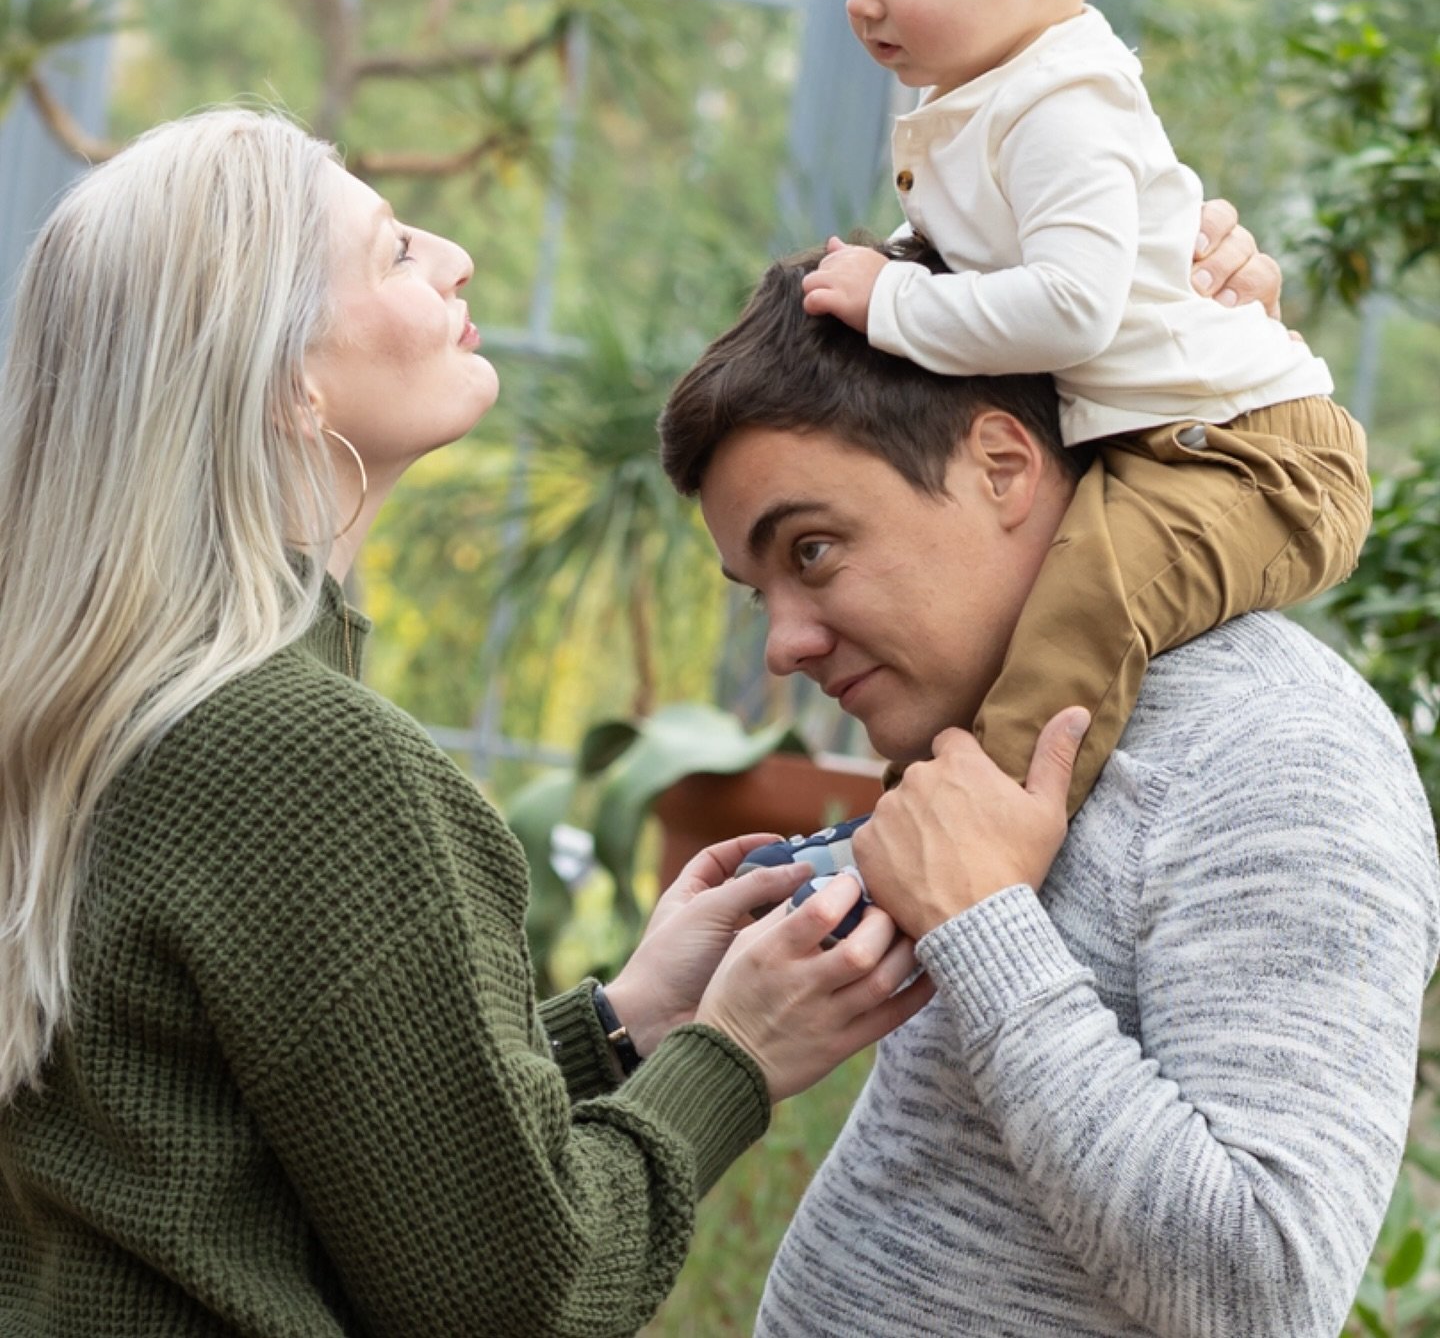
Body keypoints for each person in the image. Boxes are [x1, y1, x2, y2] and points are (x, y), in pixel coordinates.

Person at [0, 108, 935, 1338]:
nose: (455, 257)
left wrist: (625, 1023)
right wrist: (736, 1056)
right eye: (393, 253)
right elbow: (521, 1299)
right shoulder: (306, 760)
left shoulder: (104, 709)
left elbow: (267, 1164)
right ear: (289, 384)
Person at [659, 237, 1440, 1338]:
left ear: (1004, 466)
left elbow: (1267, 1290)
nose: (784, 642)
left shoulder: (1280, 755)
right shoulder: (997, 731)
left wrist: (984, 928)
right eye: (760, 591)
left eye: (816, 551)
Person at [799, 0, 1370, 813]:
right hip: (1166, 442)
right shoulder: (989, 92)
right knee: (1018, 608)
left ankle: (969, 830)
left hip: (1245, 457)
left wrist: (898, 298)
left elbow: (1069, 309)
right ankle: (928, 809)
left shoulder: (1062, 102)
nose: (861, 0)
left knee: (1085, 609)